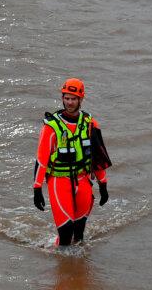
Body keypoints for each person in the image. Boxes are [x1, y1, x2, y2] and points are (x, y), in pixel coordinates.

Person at [32, 77, 111, 246]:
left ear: (81, 99)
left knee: (79, 235)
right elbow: (41, 158)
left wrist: (103, 184)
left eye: (73, 99)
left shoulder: (90, 123)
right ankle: (62, 268)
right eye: (66, 98)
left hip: (83, 180)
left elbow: (98, 157)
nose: (69, 102)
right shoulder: (51, 126)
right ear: (62, 98)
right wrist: (37, 188)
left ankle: (78, 267)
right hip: (59, 181)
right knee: (66, 234)